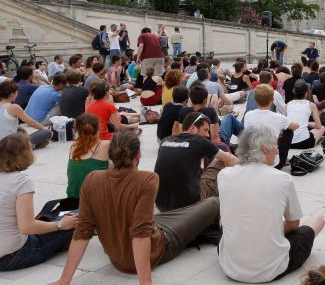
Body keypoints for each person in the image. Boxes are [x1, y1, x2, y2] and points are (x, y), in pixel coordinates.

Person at [51, 131, 220, 283]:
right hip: (158, 247)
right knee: (213, 203)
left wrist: (64, 280)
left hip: (117, 258)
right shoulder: (147, 180)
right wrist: (145, 282)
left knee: (172, 215)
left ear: (110, 156)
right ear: (138, 156)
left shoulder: (91, 179)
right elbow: (140, 233)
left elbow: (83, 230)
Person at [218, 125, 325, 282]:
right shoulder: (282, 179)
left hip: (230, 265)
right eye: (275, 145)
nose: (277, 151)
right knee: (317, 219)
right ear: (264, 148)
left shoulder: (224, 175)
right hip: (270, 268)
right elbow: (294, 225)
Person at [0, 133, 77, 272]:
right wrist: (60, 225)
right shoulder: (20, 181)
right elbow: (27, 227)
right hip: (11, 255)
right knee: (75, 221)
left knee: (50, 210)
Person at [154, 112, 237, 212]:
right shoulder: (199, 141)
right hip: (189, 204)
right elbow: (229, 159)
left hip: (161, 205)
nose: (207, 135)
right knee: (222, 159)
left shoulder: (165, 141)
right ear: (193, 128)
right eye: (205, 130)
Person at [242, 84, 298, 169]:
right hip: (272, 163)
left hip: (252, 159)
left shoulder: (248, 115)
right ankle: (282, 156)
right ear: (272, 99)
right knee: (288, 130)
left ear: (255, 99)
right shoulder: (279, 117)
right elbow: (295, 126)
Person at [66, 114, 109, 200]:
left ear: (77, 130)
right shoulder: (106, 145)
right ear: (99, 127)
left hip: (73, 200)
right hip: (96, 201)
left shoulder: (73, 146)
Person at [0, 81, 52, 148]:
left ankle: (31, 145)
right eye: (16, 92)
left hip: (2, 143)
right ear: (12, 94)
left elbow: (4, 122)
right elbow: (32, 123)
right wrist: (43, 129)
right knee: (47, 133)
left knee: (21, 133)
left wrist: (19, 128)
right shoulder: (14, 107)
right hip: (10, 143)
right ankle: (29, 146)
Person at [288, 79, 325, 148]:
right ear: (306, 92)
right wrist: (306, 123)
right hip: (304, 142)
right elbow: (318, 126)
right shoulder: (311, 105)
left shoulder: (288, 104)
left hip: (288, 142)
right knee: (322, 128)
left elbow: (286, 123)